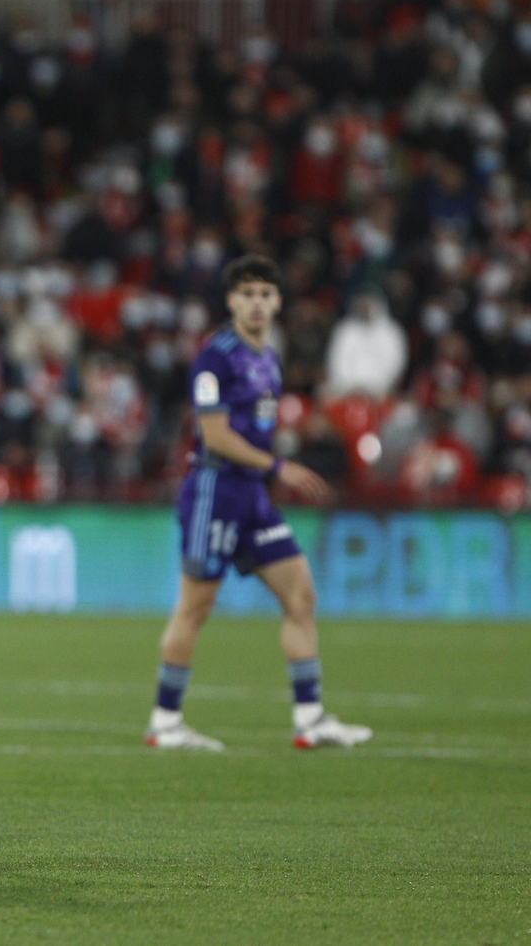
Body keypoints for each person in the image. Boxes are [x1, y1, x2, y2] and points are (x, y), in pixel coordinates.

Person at [149, 255, 373, 751]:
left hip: (252, 497)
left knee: (300, 596)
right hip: (215, 492)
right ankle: (165, 723)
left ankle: (310, 719)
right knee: (195, 607)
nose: (256, 302)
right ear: (231, 301)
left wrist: (268, 471)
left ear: (277, 302)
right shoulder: (216, 357)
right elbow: (214, 436)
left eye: (265, 294)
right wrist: (278, 466)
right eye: (247, 293)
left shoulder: (269, 358)